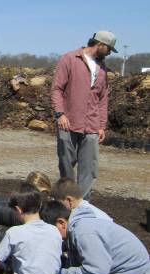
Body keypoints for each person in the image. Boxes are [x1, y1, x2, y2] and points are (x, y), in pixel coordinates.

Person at [51, 31, 117, 200]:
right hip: (69, 122)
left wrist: (101, 125)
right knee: (66, 165)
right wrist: (60, 114)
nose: (109, 53)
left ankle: (82, 205)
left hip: (92, 125)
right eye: (109, 49)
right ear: (100, 44)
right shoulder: (70, 59)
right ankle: (66, 200)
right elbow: (57, 89)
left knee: (89, 169)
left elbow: (103, 98)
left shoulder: (102, 68)